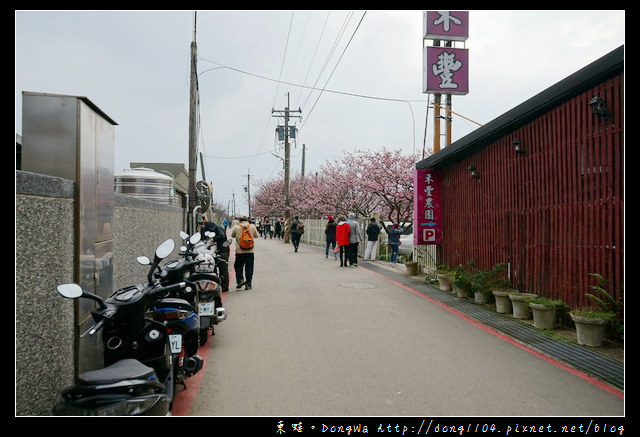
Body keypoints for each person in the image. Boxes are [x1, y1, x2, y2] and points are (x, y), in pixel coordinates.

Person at [230, 216, 259, 290]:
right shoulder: (252, 226)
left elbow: (232, 235)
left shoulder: (237, 227)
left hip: (240, 251)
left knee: (238, 266)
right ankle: (248, 284)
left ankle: (240, 280)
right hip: (250, 251)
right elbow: (256, 236)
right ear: (247, 220)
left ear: (239, 220)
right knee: (249, 268)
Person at [201, 219, 230, 291]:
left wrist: (213, 239)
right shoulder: (216, 228)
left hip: (223, 251)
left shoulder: (218, 228)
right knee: (220, 268)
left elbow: (222, 236)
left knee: (223, 268)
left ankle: (225, 286)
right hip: (220, 250)